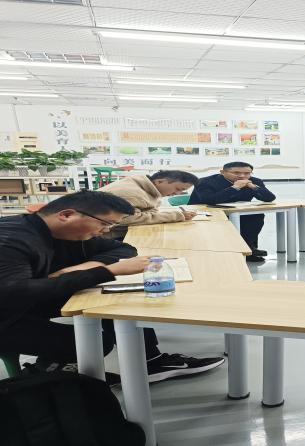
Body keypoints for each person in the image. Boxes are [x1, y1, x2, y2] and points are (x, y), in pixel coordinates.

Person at [0, 190, 225, 382]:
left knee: (114, 299)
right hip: (8, 316)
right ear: (67, 215)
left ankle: (151, 362)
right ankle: (48, 377)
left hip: (25, 302)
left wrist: (87, 267)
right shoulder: (11, 239)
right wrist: (108, 271)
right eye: (104, 223)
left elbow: (124, 249)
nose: (106, 230)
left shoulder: (65, 234)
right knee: (94, 342)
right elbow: (14, 293)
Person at [189, 162, 275, 262]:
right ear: (222, 172)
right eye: (236, 173)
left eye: (247, 173)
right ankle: (227, 250)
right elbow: (209, 200)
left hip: (235, 211)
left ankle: (248, 249)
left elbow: (269, 198)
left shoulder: (254, 181)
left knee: (255, 215)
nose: (242, 176)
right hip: (205, 212)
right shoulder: (205, 182)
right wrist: (234, 188)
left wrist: (253, 187)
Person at [99, 170, 200, 239]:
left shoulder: (149, 189)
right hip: (103, 236)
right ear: (160, 181)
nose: (177, 193)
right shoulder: (133, 193)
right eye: (178, 189)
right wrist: (175, 216)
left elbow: (151, 211)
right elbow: (126, 219)